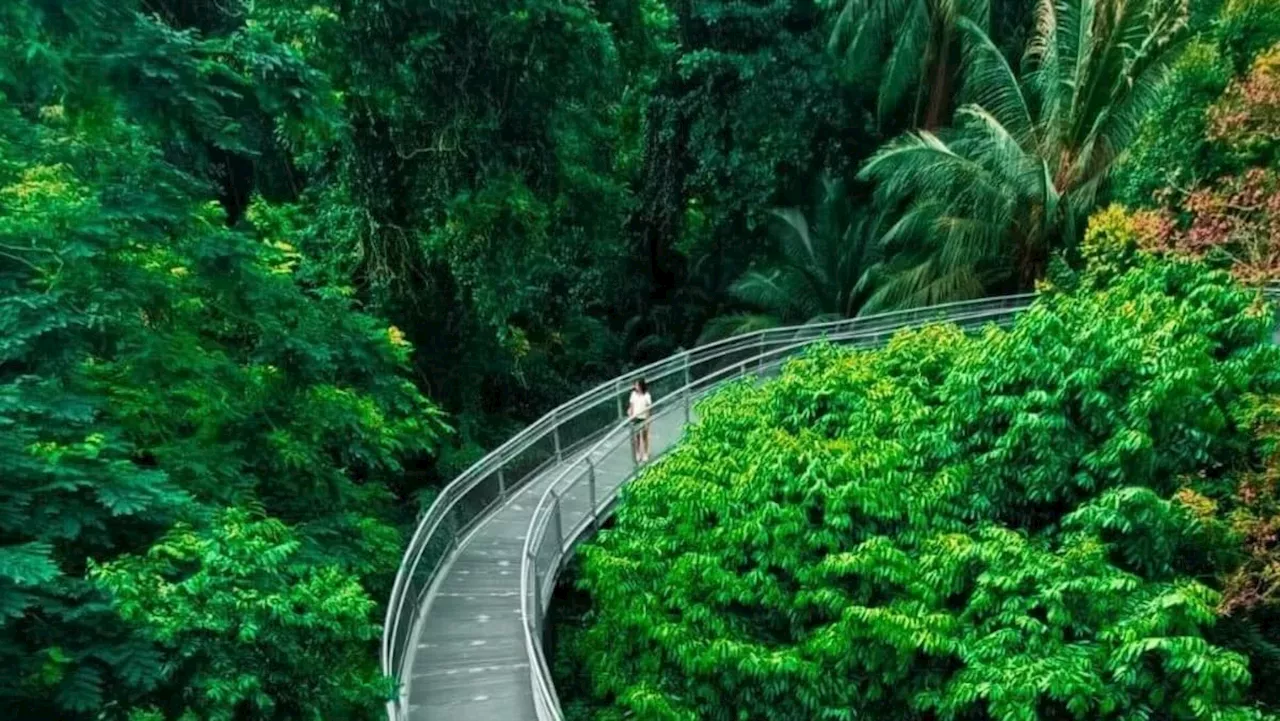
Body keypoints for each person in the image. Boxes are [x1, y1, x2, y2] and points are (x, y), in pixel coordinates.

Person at [627, 378, 653, 463]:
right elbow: (632, 405)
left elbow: (648, 408)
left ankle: (645, 453)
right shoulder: (633, 394)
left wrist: (648, 420)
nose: (636, 387)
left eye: (637, 385)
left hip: (643, 417)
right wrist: (631, 414)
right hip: (636, 417)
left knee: (644, 436)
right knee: (637, 437)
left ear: (641, 385)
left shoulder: (647, 395)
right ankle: (638, 453)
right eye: (635, 385)